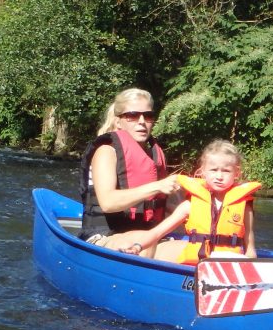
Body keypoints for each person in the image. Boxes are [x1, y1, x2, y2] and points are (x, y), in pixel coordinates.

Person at [119, 140, 262, 263]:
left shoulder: (244, 206)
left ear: (236, 173)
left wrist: (251, 266)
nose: (219, 176)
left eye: (226, 171)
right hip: (196, 267)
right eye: (213, 170)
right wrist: (138, 246)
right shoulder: (190, 205)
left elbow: (249, 245)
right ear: (203, 172)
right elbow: (157, 232)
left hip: (227, 269)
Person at [79, 88, 179, 254]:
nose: (141, 121)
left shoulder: (154, 156)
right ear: (118, 121)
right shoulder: (106, 151)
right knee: (142, 241)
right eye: (132, 115)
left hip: (147, 236)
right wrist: (157, 186)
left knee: (195, 252)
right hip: (104, 235)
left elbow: (166, 207)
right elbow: (108, 203)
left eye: (148, 116)